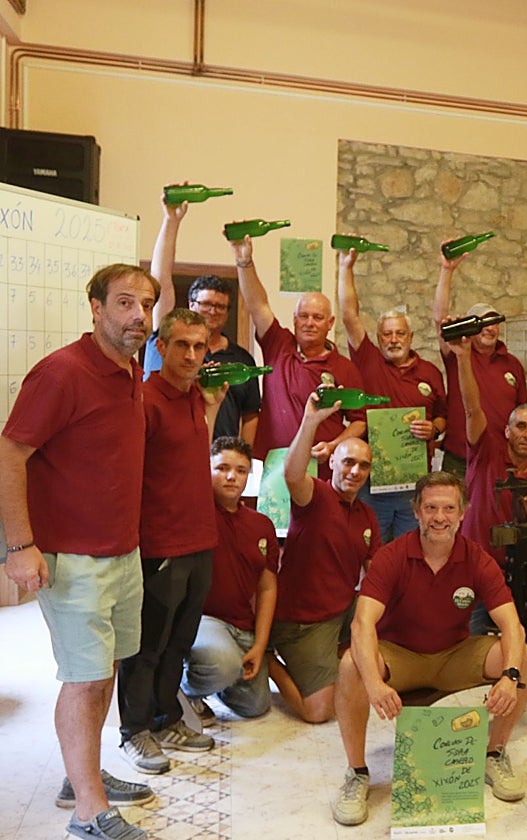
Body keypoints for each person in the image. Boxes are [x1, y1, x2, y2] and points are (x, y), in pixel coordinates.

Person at [0, 263, 160, 840]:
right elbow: (10, 453)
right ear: (95, 308)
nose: (137, 315)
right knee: (84, 679)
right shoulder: (61, 373)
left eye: (145, 305)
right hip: (73, 559)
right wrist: (20, 546)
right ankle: (89, 812)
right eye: (124, 303)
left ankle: (81, 774)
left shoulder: (130, 368)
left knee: (106, 668)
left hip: (122, 552)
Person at [331, 471, 527, 826]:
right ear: (416, 511)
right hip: (401, 657)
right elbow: (361, 624)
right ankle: (357, 773)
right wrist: (375, 684)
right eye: (430, 508)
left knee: (526, 656)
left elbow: (511, 625)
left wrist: (510, 675)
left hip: (454, 654)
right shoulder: (391, 557)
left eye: (448, 508)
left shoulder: (476, 558)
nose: (439, 517)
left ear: (462, 513)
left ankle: (495, 753)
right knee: (352, 664)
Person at [118, 308, 225, 775]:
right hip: (159, 545)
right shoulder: (144, 400)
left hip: (200, 539)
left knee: (179, 641)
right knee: (147, 645)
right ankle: (133, 731)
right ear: (159, 347)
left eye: (199, 346)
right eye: (181, 344)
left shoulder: (195, 400)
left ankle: (166, 717)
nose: (191, 354)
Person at [269, 394, 379, 722]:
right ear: (331, 462)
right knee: (319, 713)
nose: (355, 471)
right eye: (348, 462)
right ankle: (269, 662)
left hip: (340, 614)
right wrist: (310, 422)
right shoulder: (314, 496)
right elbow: (291, 474)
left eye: (363, 465)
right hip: (303, 623)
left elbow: (374, 576)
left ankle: (336, 656)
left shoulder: (367, 516)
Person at [232, 232, 367, 478]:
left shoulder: (344, 368)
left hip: (320, 470)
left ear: (330, 322)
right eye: (303, 316)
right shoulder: (278, 345)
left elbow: (359, 422)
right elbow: (257, 304)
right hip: (273, 467)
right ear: (294, 320)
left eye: (318, 317)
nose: (310, 323)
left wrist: (334, 446)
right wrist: (244, 262)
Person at [337, 246, 447, 541]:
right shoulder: (368, 361)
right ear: (378, 338)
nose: (394, 339)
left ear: (411, 337)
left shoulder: (430, 373)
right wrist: (345, 267)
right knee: (368, 551)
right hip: (372, 482)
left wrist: (432, 429)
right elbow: (349, 315)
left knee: (409, 552)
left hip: (413, 484)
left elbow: (442, 419)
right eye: (387, 333)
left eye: (400, 333)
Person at [143, 191, 261, 442]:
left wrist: (245, 461)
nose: (212, 311)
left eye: (220, 307)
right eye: (206, 304)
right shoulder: (164, 335)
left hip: (220, 461)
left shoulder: (241, 359)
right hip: (163, 448)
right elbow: (160, 280)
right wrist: (171, 222)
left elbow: (251, 415)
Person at [444, 326, 527, 576]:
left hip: (514, 576)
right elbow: (472, 409)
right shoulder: (484, 454)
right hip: (470, 570)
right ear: (507, 431)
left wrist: (522, 572)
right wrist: (463, 357)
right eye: (520, 426)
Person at [182, 436, 279, 721]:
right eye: (222, 468)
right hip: (202, 620)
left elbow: (267, 587)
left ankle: (216, 678)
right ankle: (181, 691)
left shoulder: (261, 525)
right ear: (206, 470)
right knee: (222, 664)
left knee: (255, 706)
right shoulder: (195, 512)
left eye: (240, 470)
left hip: (241, 627)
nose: (231, 476)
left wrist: (260, 645)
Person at [433, 242, 527, 479]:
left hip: (500, 461)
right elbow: (439, 320)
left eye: (494, 322)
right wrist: (447, 271)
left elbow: (522, 414)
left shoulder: (513, 365)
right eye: (483, 322)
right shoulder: (457, 353)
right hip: (459, 461)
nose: (490, 328)